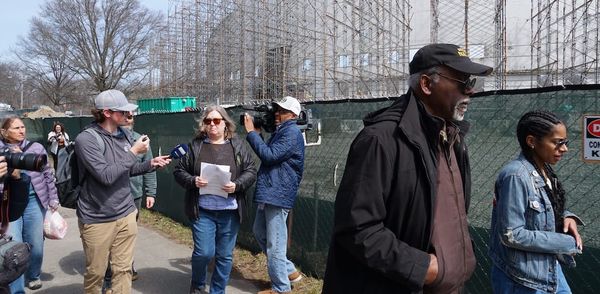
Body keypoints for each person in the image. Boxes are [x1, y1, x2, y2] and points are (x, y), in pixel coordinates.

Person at [322, 43, 493, 294]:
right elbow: (357, 228)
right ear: (426, 84)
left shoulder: (452, 138)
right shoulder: (380, 140)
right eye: (461, 81)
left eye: (471, 82)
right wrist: (422, 268)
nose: (470, 91)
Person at [75, 89, 171, 294]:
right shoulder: (87, 139)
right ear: (107, 112)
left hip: (126, 213)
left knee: (123, 270)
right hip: (97, 217)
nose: (129, 115)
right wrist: (134, 152)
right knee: (96, 273)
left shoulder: (125, 135)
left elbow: (126, 170)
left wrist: (150, 164)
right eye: (124, 112)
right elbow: (106, 176)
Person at [489, 110, 583, 293]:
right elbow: (512, 234)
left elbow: (545, 208)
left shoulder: (544, 171)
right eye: (558, 143)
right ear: (532, 141)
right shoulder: (516, 176)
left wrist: (566, 217)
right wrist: (564, 242)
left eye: (565, 142)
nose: (564, 149)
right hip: (520, 279)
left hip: (548, 270)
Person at [174, 105, 257, 294]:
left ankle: (217, 291)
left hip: (230, 210)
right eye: (207, 121)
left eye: (216, 121)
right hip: (203, 210)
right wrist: (193, 180)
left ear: (225, 124)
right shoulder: (196, 146)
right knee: (204, 253)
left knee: (225, 256)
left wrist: (237, 185)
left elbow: (251, 170)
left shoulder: (238, 145)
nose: (212, 124)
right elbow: (179, 171)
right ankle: (197, 285)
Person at [242, 96, 305, 294]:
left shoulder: (292, 132)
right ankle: (289, 271)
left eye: (282, 111)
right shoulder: (282, 132)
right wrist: (258, 135)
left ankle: (281, 288)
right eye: (277, 110)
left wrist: (252, 133)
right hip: (271, 191)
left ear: (293, 115)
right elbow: (270, 153)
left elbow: (269, 156)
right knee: (260, 232)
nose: (277, 113)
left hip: (278, 193)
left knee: (275, 244)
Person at [0, 116, 59, 293]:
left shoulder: (36, 147)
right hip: (8, 205)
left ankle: (33, 275)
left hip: (34, 201)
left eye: (23, 127)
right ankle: (16, 289)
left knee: (36, 245)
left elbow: (47, 174)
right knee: (13, 250)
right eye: (16, 128)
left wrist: (53, 198)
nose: (21, 131)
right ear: (4, 132)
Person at [103, 113, 158, 288]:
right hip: (110, 195)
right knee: (110, 235)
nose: (128, 119)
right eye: (125, 116)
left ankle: (127, 267)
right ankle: (108, 271)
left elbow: (150, 166)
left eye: (131, 117)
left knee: (128, 235)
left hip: (133, 195)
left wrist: (151, 193)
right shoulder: (109, 139)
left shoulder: (141, 140)